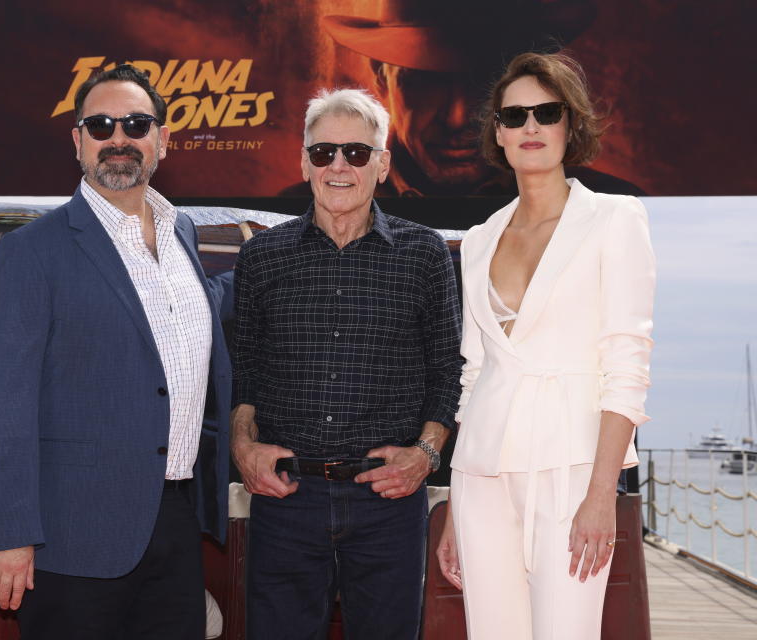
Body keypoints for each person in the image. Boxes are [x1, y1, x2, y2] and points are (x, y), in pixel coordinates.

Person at [0, 64, 233, 639]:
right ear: (78, 142)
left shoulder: (182, 233)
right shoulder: (31, 252)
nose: (119, 138)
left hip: (176, 522)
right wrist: (10, 535)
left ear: (163, 140)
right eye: (101, 124)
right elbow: (4, 407)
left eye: (137, 123)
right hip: (71, 540)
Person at [436, 52, 655, 639]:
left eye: (546, 111)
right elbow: (473, 374)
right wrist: (456, 505)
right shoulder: (480, 241)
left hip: (572, 469)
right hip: (482, 474)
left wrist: (603, 493)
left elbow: (627, 363)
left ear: (569, 124)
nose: (530, 127)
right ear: (499, 134)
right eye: (515, 116)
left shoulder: (614, 219)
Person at [232, 88, 462, 639]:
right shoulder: (262, 257)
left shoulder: (425, 254)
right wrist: (243, 447)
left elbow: (448, 375)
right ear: (303, 161)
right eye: (323, 152)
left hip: (389, 501)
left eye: (356, 153)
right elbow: (245, 373)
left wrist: (425, 455)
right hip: (285, 499)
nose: (339, 166)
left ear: (382, 165)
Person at [317, 0, 645, 197]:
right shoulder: (309, 210)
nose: (457, 118)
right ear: (380, 76)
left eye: (485, 81)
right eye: (427, 82)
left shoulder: (612, 208)